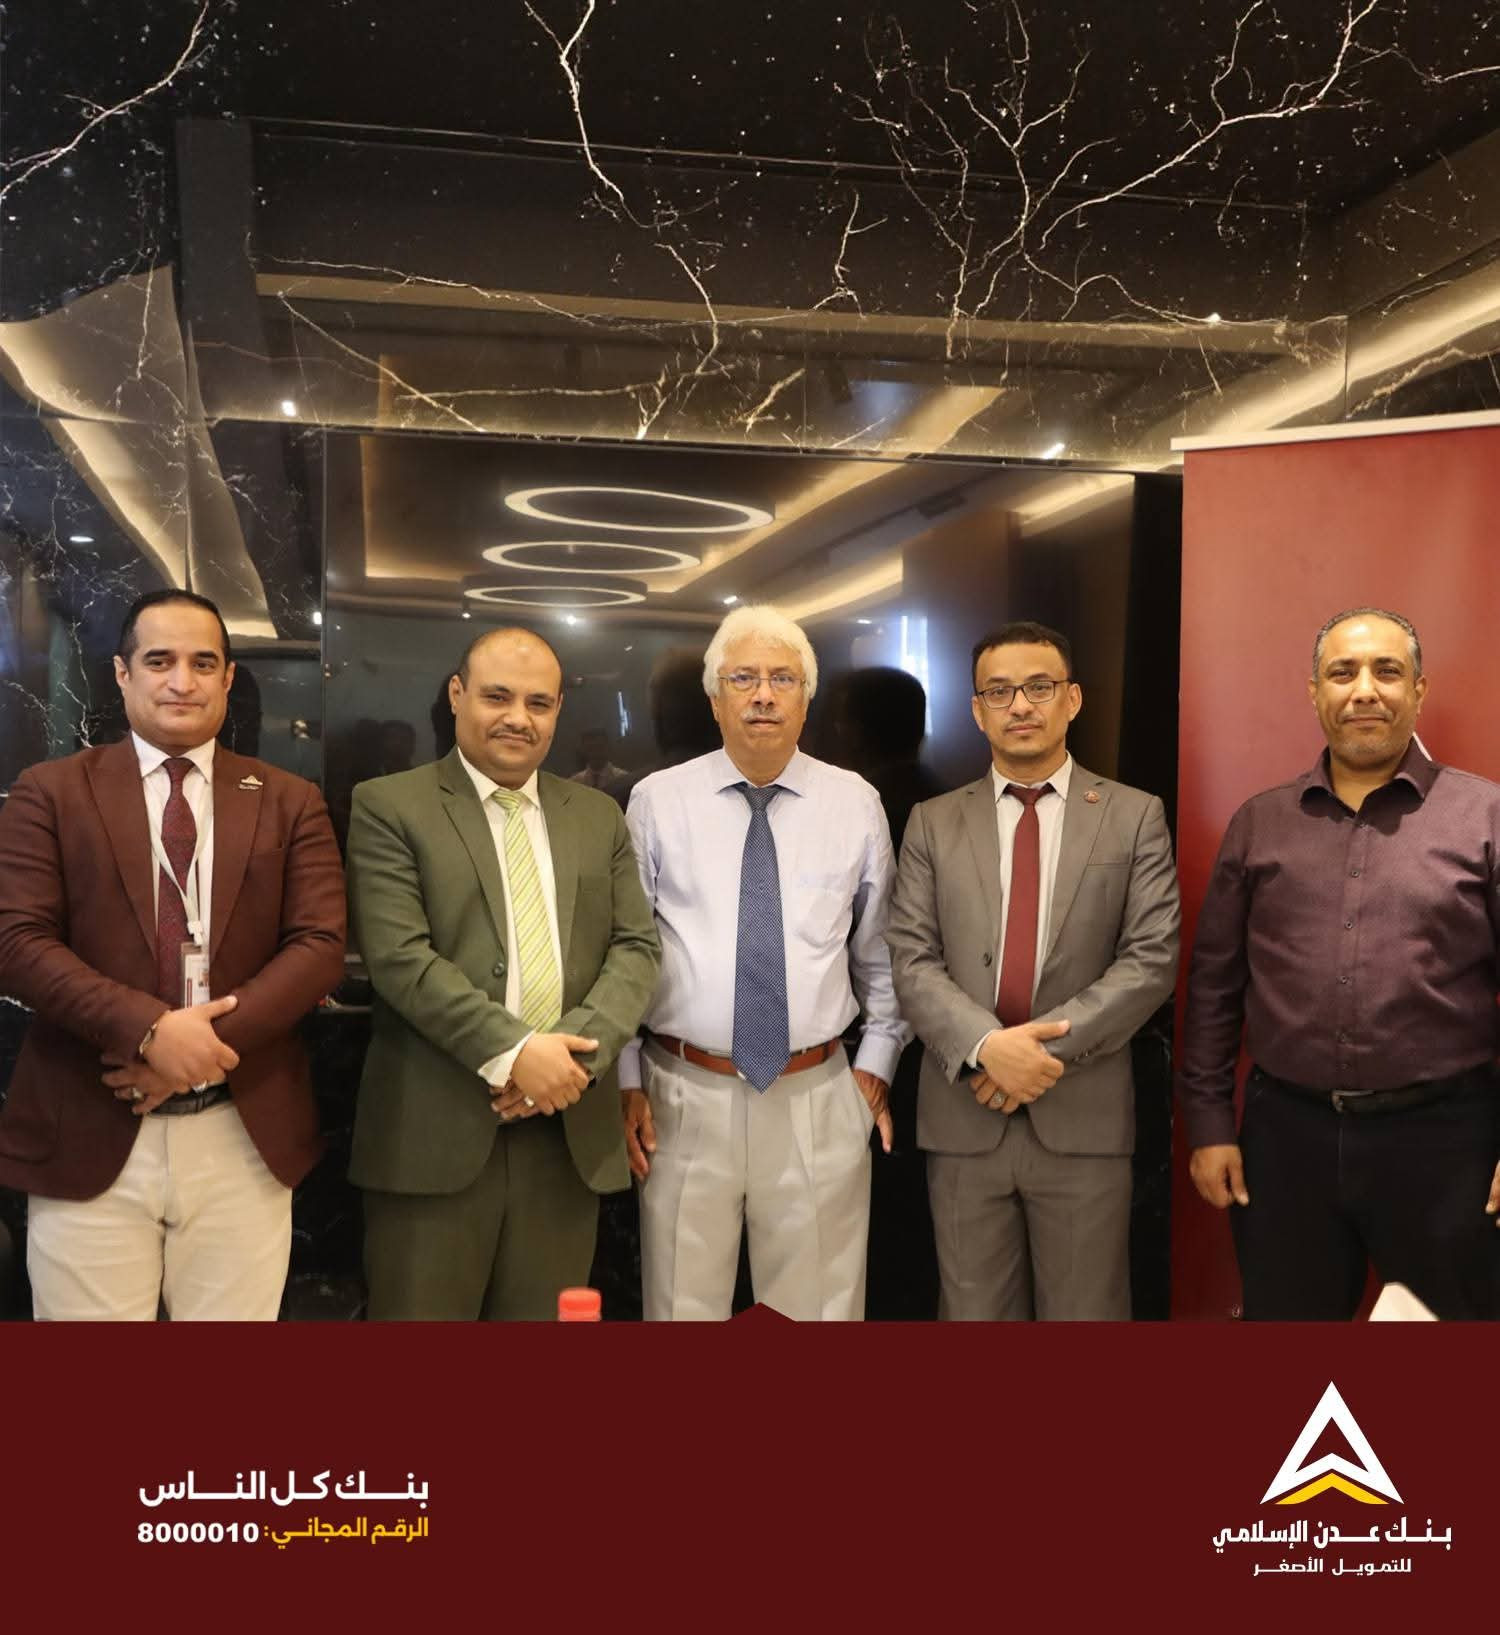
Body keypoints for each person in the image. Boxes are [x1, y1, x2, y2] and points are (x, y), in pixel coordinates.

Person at [0, 590, 346, 1320]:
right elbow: (17, 940)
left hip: (243, 1131)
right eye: (159, 661)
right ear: (122, 674)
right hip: (88, 1124)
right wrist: (152, 1032)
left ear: (228, 679)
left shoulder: (290, 800)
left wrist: (201, 1051)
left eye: (203, 663)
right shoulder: (51, 793)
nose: (182, 681)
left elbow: (318, 946)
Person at [1180, 607, 1500, 1320]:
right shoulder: (1260, 824)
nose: (1364, 690)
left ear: (1418, 690)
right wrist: (1209, 1124)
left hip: (1448, 1145)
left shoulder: (1485, 817)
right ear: (1314, 691)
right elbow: (1214, 989)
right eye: (1342, 672)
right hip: (1285, 1143)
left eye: (1387, 671)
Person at [347, 627, 660, 1319]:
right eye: (498, 697)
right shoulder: (389, 805)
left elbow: (636, 948)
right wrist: (518, 1053)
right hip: (433, 1138)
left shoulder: (598, 815)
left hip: (566, 1136)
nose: (519, 717)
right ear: (457, 695)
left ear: (558, 712)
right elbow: (399, 957)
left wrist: (569, 1064)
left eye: (538, 703)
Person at [621, 605, 908, 1321]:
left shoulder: (855, 803)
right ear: (714, 699)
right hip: (681, 1094)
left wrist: (875, 1064)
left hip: (818, 1093)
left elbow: (883, 952)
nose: (763, 695)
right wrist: (624, 1077)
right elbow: (624, 949)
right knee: (681, 1310)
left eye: (783, 679)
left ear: (806, 700)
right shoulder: (657, 802)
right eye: (742, 678)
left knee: (815, 1315)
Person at [887, 620, 1179, 1320]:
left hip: (1083, 1118)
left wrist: (1035, 1056)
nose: (1020, 705)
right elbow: (912, 958)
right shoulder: (931, 822)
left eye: (1039, 687)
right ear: (977, 710)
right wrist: (988, 1047)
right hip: (964, 1119)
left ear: (1072, 699)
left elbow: (1151, 959)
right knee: (973, 1318)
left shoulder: (1133, 815)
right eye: (999, 691)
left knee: (1087, 1318)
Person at [570, 727, 629, 796]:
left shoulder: (623, 779)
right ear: (583, 750)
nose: (595, 753)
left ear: (608, 747)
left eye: (599, 747)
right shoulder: (575, 782)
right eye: (590, 748)